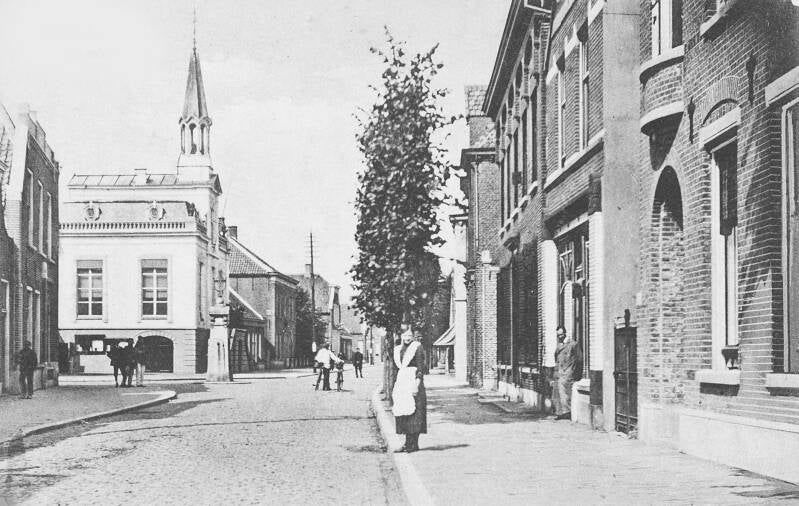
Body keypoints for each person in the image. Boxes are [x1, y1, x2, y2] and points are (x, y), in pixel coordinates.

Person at [392, 325, 428, 453]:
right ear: (401, 336)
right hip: (402, 383)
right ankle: (407, 443)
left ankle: (414, 444)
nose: (407, 338)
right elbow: (396, 369)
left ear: (413, 336)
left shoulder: (417, 347)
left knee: (415, 413)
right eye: (405, 335)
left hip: (413, 382)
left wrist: (416, 384)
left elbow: (420, 367)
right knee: (404, 412)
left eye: (409, 335)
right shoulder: (397, 349)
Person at [554, 325, 582, 420]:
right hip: (560, 372)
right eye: (558, 335)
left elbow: (579, 360)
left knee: (566, 394)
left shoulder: (573, 345)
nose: (560, 337)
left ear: (565, 334)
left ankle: (567, 413)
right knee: (558, 394)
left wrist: (575, 373)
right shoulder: (559, 346)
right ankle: (561, 413)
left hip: (568, 373)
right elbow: (556, 359)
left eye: (561, 335)